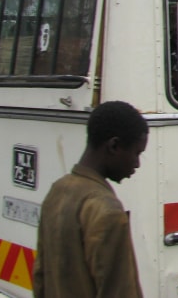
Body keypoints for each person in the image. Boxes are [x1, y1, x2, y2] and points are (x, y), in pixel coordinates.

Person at [33, 101, 149, 298]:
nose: (137, 164)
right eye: (136, 153)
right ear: (114, 146)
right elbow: (119, 291)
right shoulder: (107, 210)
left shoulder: (59, 190)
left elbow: (40, 276)